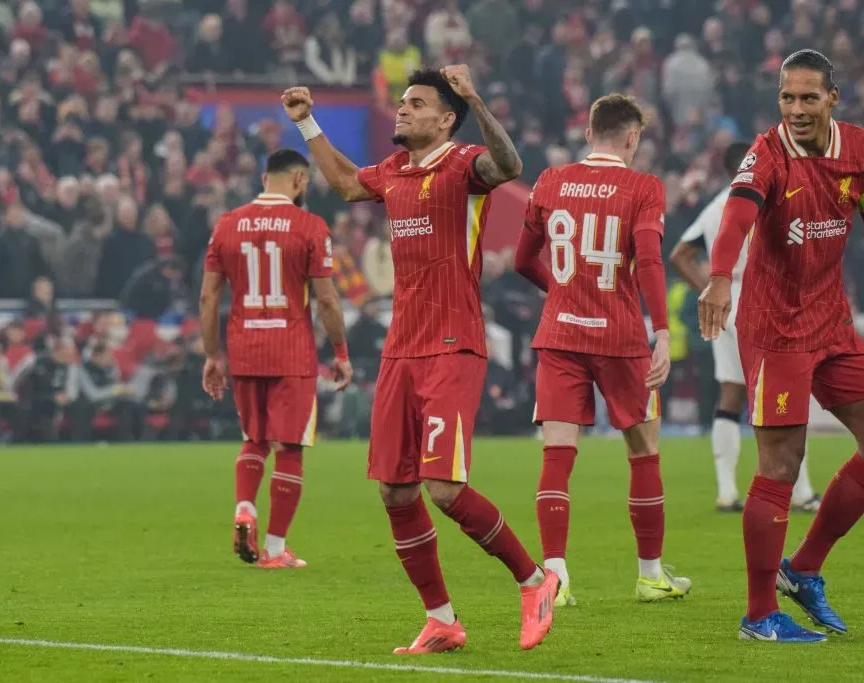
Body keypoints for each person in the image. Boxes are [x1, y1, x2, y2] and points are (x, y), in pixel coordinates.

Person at [283, 65, 560, 654]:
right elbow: (344, 182)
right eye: (402, 103)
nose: (403, 110)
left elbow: (509, 166)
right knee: (395, 490)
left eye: (416, 103)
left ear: (445, 117)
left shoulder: (462, 165)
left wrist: (476, 96)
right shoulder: (391, 173)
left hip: (452, 343)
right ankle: (442, 620)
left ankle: (536, 580)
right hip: (401, 349)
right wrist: (307, 122)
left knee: (444, 487)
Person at [698, 49, 864, 643]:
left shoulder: (861, 150)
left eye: (808, 97)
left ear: (832, 99)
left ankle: (805, 567)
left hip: (831, 323)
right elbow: (738, 215)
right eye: (787, 97)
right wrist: (718, 276)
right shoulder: (766, 152)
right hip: (774, 327)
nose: (795, 109)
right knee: (780, 467)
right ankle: (759, 614)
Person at [514, 94, 690, 608]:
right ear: (632, 137)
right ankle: (650, 575)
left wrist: (561, 291)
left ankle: (556, 577)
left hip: (560, 336)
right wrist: (663, 330)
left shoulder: (550, 181)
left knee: (557, 454)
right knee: (643, 450)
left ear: (590, 132)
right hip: (620, 339)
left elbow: (524, 260)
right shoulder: (643, 187)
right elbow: (652, 262)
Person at [200, 149, 353, 571]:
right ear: (300, 180)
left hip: (245, 349)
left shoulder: (226, 225)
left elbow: (208, 296)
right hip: (292, 352)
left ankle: (245, 507)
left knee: (254, 439)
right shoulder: (309, 226)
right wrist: (340, 352)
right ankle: (273, 548)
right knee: (290, 447)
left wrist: (213, 355)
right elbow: (325, 298)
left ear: (265, 178)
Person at [670, 142, 821, 513]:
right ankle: (800, 492)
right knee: (783, 394)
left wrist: (707, 290)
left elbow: (680, 255)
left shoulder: (717, 204)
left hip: (726, 298)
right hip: (762, 299)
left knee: (730, 394)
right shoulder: (770, 197)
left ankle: (726, 491)